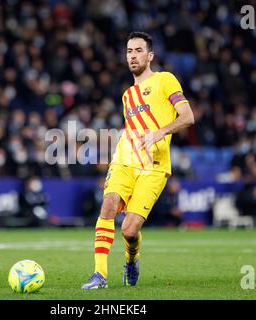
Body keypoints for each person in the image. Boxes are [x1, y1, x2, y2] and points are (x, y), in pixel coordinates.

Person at [82, 31, 195, 289]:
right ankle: (99, 275)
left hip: (154, 166)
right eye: (129, 51)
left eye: (138, 51)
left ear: (150, 55)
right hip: (124, 159)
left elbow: (188, 117)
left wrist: (159, 132)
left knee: (130, 231)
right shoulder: (127, 96)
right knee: (109, 205)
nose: (133, 56)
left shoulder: (165, 80)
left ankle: (132, 259)